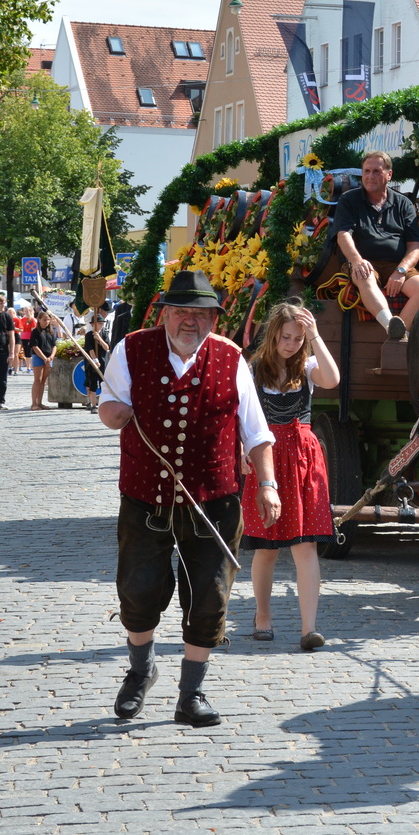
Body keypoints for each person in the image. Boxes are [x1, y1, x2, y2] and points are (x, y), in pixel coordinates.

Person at [97, 271, 279, 726]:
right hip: (145, 495)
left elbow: (256, 432)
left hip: (213, 499)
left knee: (209, 596)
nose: (190, 322)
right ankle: (141, 673)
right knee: (138, 591)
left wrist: (268, 484)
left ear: (214, 319)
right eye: (181, 312)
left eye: (200, 314)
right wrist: (113, 412)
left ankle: (191, 693)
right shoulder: (131, 350)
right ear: (164, 315)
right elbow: (109, 407)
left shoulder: (231, 358)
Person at [240, 301, 341, 651]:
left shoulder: (308, 367)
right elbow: (241, 417)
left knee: (306, 544)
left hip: (302, 458)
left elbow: (333, 378)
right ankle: (263, 616)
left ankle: (309, 628)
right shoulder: (254, 371)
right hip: (266, 457)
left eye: (298, 339)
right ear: (273, 335)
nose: (292, 344)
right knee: (266, 547)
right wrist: (242, 450)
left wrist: (315, 335)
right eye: (286, 337)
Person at [330, 150, 419, 341]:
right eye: (366, 171)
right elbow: (343, 235)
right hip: (366, 262)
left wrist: (401, 270)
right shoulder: (349, 200)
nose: (370, 176)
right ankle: (390, 326)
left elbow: (414, 246)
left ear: (389, 174)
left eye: (376, 171)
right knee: (364, 275)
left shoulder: (404, 204)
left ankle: (399, 334)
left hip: (397, 264)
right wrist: (357, 260)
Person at [28, 311, 57, 409]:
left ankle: (39, 402)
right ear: (39, 320)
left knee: (43, 381)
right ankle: (34, 403)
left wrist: (51, 357)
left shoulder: (51, 332)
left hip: (49, 357)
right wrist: (44, 358)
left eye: (48, 320)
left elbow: (54, 346)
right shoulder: (35, 332)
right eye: (44, 320)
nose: (46, 322)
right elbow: (35, 346)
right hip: (39, 357)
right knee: (38, 380)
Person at [12, 305, 35, 374]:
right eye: (25, 311)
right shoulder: (22, 319)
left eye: (27, 311)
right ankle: (24, 366)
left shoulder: (32, 319)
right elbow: (20, 328)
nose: (26, 312)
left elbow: (33, 330)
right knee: (24, 352)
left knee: (29, 353)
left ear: (30, 311)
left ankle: (29, 367)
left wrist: (32, 338)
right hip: (23, 337)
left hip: (29, 337)